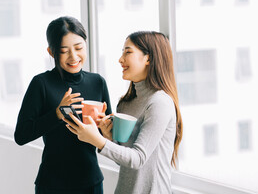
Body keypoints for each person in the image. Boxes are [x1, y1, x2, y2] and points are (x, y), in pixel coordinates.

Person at [65, 31, 183, 194]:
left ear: (148, 58)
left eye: (128, 52)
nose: (120, 59)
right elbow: (125, 161)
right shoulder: (125, 104)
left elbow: (138, 159)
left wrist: (98, 140)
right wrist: (108, 137)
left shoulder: (159, 103)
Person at [14, 16, 112, 194]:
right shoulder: (41, 83)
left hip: (92, 183)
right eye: (64, 50)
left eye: (78, 48)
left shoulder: (98, 82)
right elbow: (21, 135)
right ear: (51, 52)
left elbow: (108, 140)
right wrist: (57, 114)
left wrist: (105, 130)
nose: (73, 56)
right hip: (52, 185)